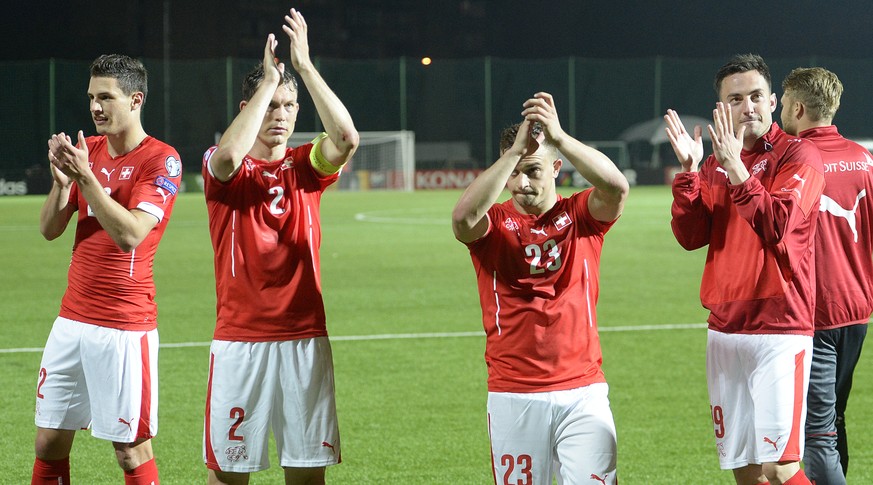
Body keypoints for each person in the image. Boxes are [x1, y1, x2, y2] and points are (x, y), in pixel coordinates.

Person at [201, 8, 359, 485]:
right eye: (271, 105)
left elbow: (347, 138)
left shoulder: (305, 165)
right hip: (240, 339)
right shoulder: (220, 166)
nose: (281, 115)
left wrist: (303, 68)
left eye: (289, 106)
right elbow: (230, 156)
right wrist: (268, 82)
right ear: (248, 108)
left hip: (304, 336)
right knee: (229, 475)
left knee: (307, 475)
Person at [452, 92, 629, 484]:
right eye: (514, 171)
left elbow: (616, 188)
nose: (522, 181)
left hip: (582, 391)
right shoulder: (493, 224)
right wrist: (513, 154)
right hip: (514, 393)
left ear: (556, 168)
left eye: (532, 169)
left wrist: (559, 136)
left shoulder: (580, 215)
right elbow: (463, 218)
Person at [666, 53, 825, 485]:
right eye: (735, 99)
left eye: (756, 96)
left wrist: (737, 169)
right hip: (725, 331)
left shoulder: (800, 155)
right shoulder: (716, 163)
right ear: (722, 109)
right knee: (746, 470)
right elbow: (690, 235)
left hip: (780, 330)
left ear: (773, 101)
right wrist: (689, 175)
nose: (748, 106)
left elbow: (778, 225)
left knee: (780, 468)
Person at [34, 54, 182, 485]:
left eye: (106, 97)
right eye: (92, 97)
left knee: (130, 452)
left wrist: (85, 179)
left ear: (135, 99)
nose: (96, 107)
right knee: (48, 443)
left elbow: (132, 233)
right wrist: (62, 184)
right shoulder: (90, 152)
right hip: (71, 319)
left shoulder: (162, 159)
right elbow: (49, 229)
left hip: (123, 325)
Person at [780, 67, 873, 485]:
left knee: (815, 432)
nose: (780, 111)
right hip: (859, 310)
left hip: (816, 312)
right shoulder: (865, 158)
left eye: (783, 103)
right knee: (833, 418)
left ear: (798, 107)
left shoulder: (797, 159)